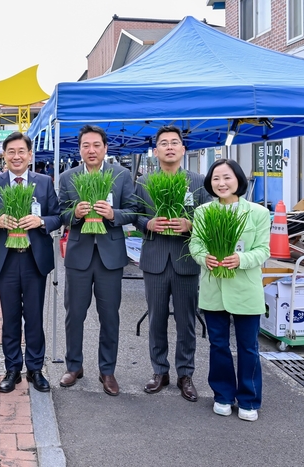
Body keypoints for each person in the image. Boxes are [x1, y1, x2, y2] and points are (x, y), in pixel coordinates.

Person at [0, 132, 61, 393]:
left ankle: (35, 369)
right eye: (11, 151)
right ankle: (12, 368)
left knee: (34, 317)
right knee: (10, 317)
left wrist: (41, 222)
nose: (16, 156)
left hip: (35, 260)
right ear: (4, 155)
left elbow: (57, 217)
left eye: (21, 151)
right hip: (7, 262)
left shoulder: (44, 183)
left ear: (29, 155)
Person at [134, 126, 212, 402]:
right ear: (155, 151)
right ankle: (159, 371)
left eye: (174, 143)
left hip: (186, 260)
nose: (169, 147)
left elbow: (209, 217)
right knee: (156, 320)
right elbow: (134, 215)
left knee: (186, 321)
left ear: (183, 149)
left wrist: (192, 224)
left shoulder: (199, 182)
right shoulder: (143, 182)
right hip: (155, 259)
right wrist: (148, 223)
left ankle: (186, 374)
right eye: (163, 143)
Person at [189, 159, 270, 422]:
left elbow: (263, 250)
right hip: (214, 288)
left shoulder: (257, 212)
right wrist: (204, 258)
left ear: (238, 180)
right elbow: (196, 245)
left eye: (227, 177)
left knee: (248, 347)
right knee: (218, 345)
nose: (221, 183)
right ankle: (223, 395)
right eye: (215, 179)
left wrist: (241, 260)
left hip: (245, 289)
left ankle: (248, 399)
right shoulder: (203, 212)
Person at [58, 125, 136, 395]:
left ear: (105, 148)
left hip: (110, 257)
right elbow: (60, 214)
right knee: (74, 315)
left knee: (109, 316)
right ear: (80, 149)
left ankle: (107, 370)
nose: (91, 150)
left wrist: (113, 214)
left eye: (96, 145)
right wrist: (75, 214)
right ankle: (74, 366)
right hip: (79, 256)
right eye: (86, 146)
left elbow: (133, 212)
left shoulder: (121, 175)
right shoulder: (68, 177)